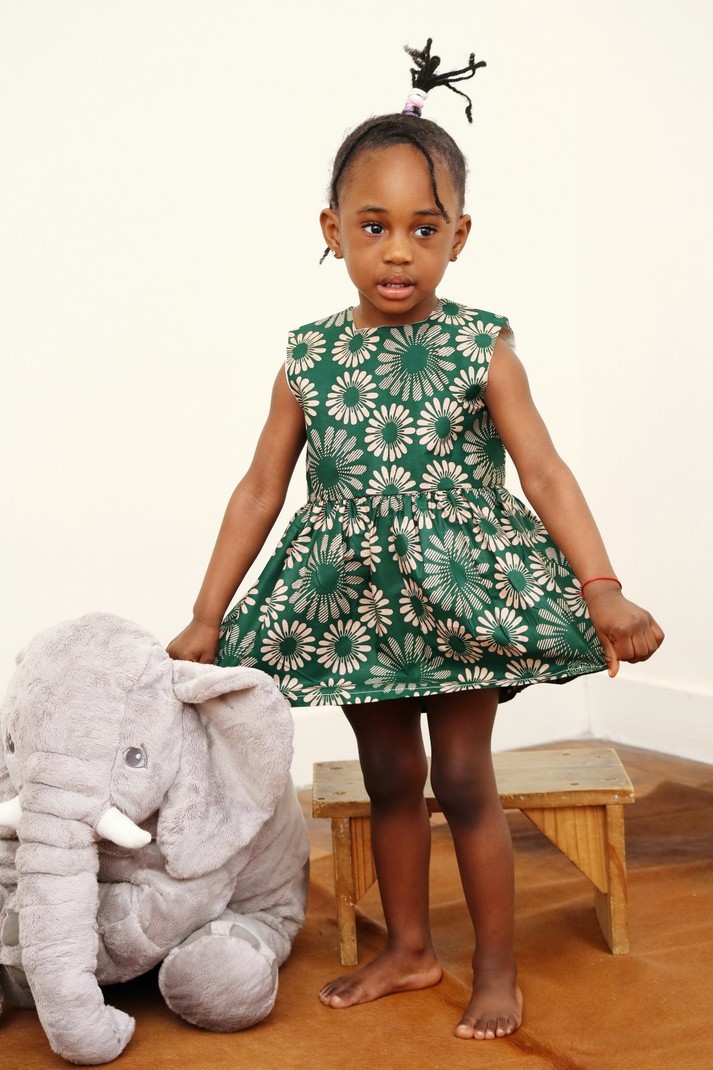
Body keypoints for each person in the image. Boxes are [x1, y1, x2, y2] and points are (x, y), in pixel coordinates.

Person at [168, 39, 664, 1041]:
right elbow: (260, 488)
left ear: (457, 237)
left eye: (422, 229)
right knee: (390, 776)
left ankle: (495, 968)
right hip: (354, 605)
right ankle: (407, 948)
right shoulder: (308, 359)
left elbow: (543, 471)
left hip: (459, 594)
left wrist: (600, 584)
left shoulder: (482, 347)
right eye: (373, 226)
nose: (397, 250)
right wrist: (206, 612)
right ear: (333, 231)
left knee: (464, 778)